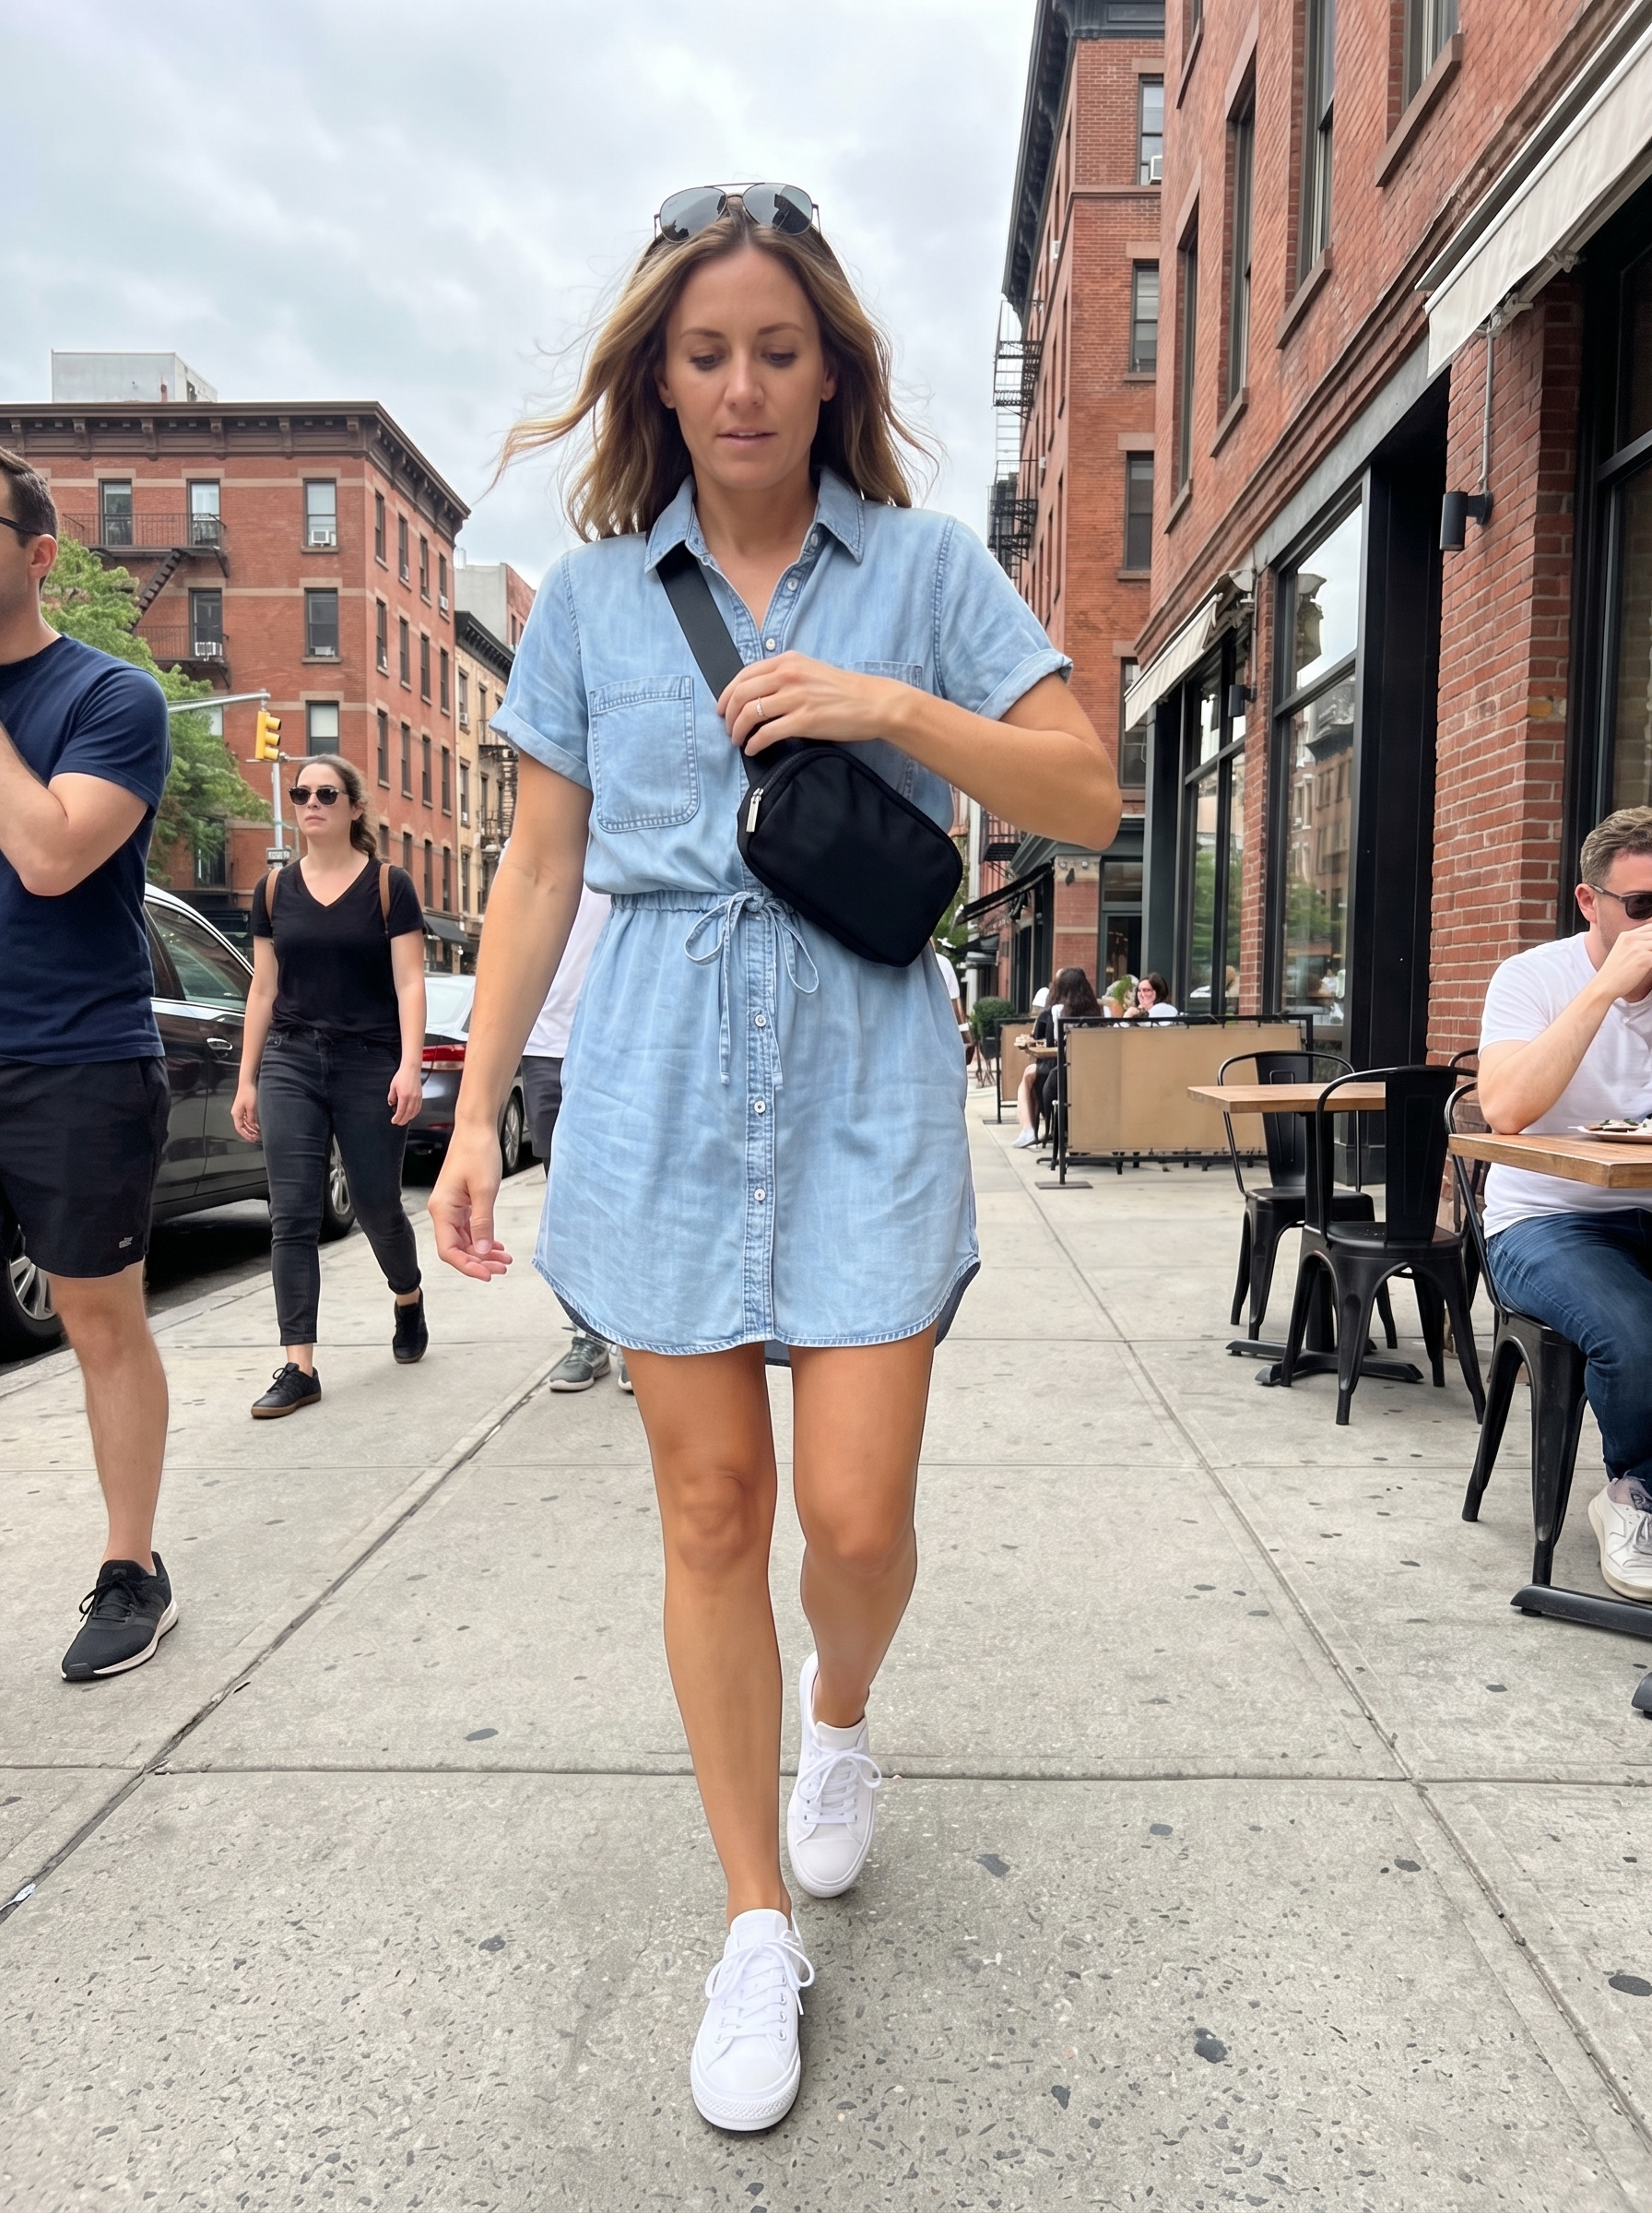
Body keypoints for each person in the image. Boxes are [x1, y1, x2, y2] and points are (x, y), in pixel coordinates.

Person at [427, 183, 1120, 2132]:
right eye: (706, 351)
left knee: (853, 1525)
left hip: (858, 1083)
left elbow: (1080, 785)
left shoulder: (912, 568)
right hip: (652, 1080)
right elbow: (540, 869)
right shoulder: (582, 602)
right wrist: (478, 1110)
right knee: (713, 1512)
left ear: (833, 371)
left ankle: (841, 1718)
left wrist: (888, 706)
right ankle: (750, 1925)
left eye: (777, 350)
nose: (740, 386)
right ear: (661, 368)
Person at [0, 447, 179, 1679]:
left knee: (97, 1320)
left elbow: (54, 854)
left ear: (39, 553)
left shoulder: (109, 698)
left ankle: (133, 1568)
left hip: (71, 1055)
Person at [1478, 807, 1652, 1601]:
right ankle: (1636, 1494)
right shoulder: (1533, 978)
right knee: (1636, 1336)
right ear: (1590, 903)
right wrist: (1607, 990)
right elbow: (1506, 1109)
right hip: (1546, 1218)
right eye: (1643, 908)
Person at [230, 755, 428, 1417]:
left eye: (326, 793)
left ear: (352, 807)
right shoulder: (271, 891)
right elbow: (263, 988)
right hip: (290, 1059)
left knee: (376, 1206)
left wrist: (409, 1064)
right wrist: (247, 1079)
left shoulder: (387, 886)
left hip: (369, 1061)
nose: (310, 802)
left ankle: (407, 1296)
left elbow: (409, 983)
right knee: (291, 1213)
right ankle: (299, 1366)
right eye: (301, 793)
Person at [520, 881, 631, 1393]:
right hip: (548, 1044)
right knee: (568, 1200)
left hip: (619, 1036)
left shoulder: (626, 824)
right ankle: (588, 1336)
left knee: (633, 1194)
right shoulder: (534, 845)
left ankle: (638, 1337)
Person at [1012, 965, 1101, 1148]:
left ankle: (1028, 1130)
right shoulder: (1098, 1011)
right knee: (1031, 1074)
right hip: (1093, 1071)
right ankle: (1033, 1130)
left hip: (1062, 1068)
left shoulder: (1057, 1011)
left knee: (1028, 1075)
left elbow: (1052, 1045)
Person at [932, 941, 972, 1065]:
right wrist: (967, 1039)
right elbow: (955, 1006)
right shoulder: (942, 963)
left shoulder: (889, 965)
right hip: (941, 1039)